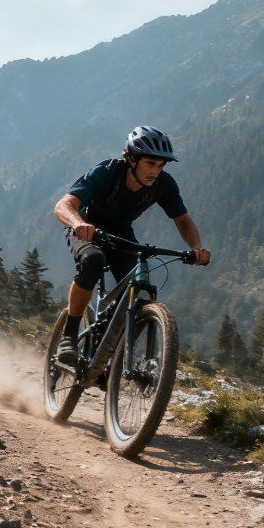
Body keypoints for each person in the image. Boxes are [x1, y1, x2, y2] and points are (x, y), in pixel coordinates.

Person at [52, 125, 210, 363]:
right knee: (93, 260)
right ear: (132, 159)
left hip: (121, 232)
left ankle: (109, 351)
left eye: (160, 165)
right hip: (86, 227)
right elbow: (64, 205)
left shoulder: (163, 185)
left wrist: (196, 248)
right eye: (150, 163)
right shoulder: (107, 172)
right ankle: (69, 336)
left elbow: (183, 222)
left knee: (137, 285)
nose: (155, 171)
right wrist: (78, 224)